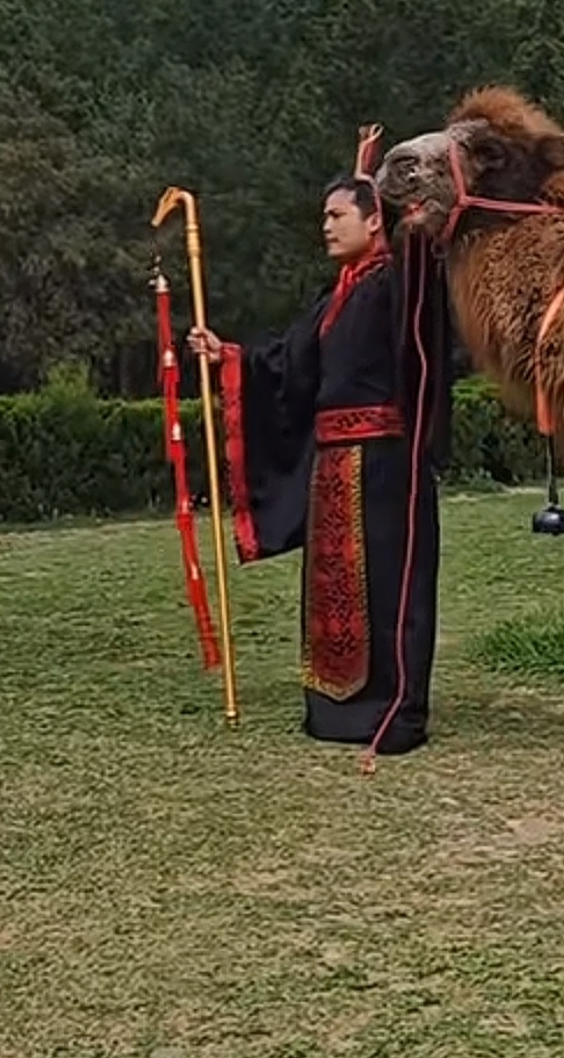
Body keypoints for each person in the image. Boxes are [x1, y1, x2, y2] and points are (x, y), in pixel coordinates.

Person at [188, 148, 453, 756]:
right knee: (340, 589)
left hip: (386, 464)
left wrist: (395, 191)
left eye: (338, 214)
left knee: (390, 587)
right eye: (324, 218)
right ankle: (338, 707)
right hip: (333, 467)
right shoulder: (337, 296)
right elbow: (288, 361)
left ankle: (394, 710)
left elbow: (424, 310)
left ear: (373, 221)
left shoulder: (399, 280)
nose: (326, 227)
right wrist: (226, 355)